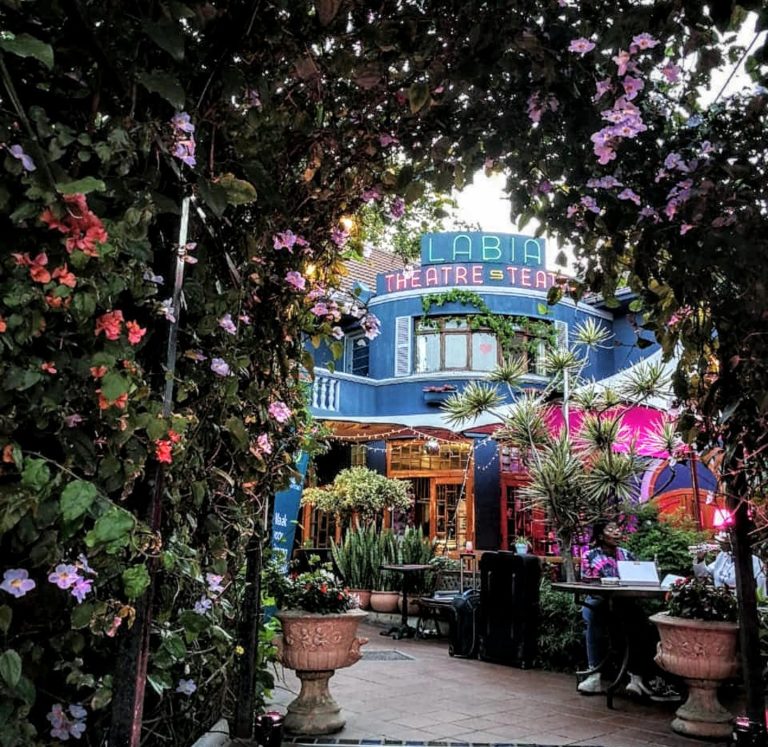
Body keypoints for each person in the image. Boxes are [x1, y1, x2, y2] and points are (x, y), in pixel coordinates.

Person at [577, 520, 680, 701]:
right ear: (601, 535)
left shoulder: (627, 555)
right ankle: (595, 675)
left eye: (617, 529)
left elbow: (637, 578)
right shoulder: (590, 555)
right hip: (598, 601)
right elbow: (588, 583)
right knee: (595, 616)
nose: (616, 532)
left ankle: (637, 677)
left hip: (624, 603)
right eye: (611, 529)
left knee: (642, 623)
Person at [693, 530, 766, 596]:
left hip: (741, 605)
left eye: (723, 542)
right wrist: (700, 559)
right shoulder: (722, 556)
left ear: (733, 544)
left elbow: (761, 592)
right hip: (719, 602)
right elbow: (703, 576)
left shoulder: (754, 562)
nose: (720, 544)